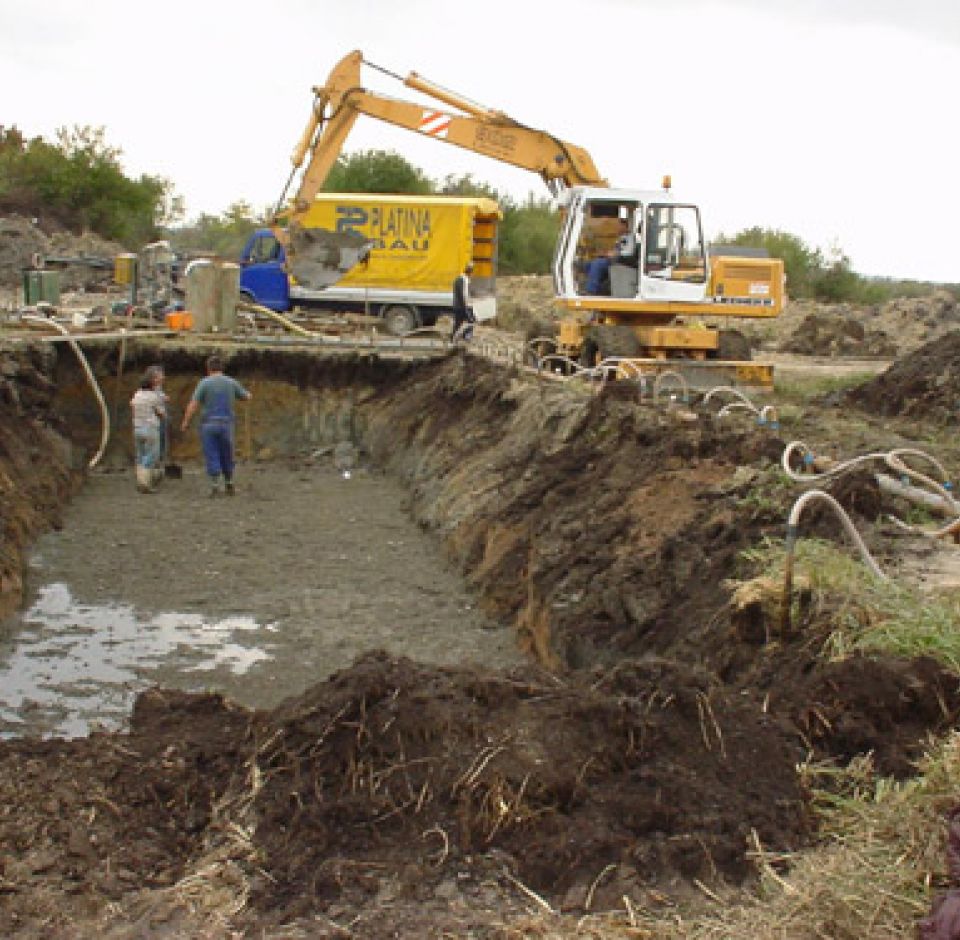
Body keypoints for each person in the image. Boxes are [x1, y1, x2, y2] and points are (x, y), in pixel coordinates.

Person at [180, 355, 251, 497]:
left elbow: (193, 404)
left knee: (211, 452)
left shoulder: (204, 383)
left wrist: (185, 421)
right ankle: (229, 482)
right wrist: (248, 394)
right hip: (226, 424)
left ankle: (215, 485)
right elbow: (246, 396)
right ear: (222, 368)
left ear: (208, 368)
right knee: (227, 453)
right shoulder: (231, 382)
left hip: (209, 424)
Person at [130, 369, 166, 493]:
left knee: (140, 455)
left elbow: (132, 406)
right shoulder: (153, 396)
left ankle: (140, 479)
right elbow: (161, 413)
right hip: (150, 428)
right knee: (152, 454)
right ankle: (145, 483)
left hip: (137, 427)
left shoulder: (137, 394)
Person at [584, 217, 639, 295]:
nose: (616, 228)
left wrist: (616, 254)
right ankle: (598, 287)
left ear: (624, 226)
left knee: (597, 264)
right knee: (588, 265)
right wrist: (606, 253)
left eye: (618, 226)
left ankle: (591, 290)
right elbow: (615, 250)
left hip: (621, 261)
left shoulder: (630, 238)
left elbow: (628, 252)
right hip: (614, 258)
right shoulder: (620, 237)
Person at [451, 262, 476, 342]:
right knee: (471, 320)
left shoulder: (458, 279)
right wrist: (466, 306)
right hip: (462, 306)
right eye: (472, 272)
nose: (472, 275)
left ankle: (453, 338)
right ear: (470, 272)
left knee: (458, 322)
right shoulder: (464, 280)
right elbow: (464, 295)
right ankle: (466, 336)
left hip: (457, 305)